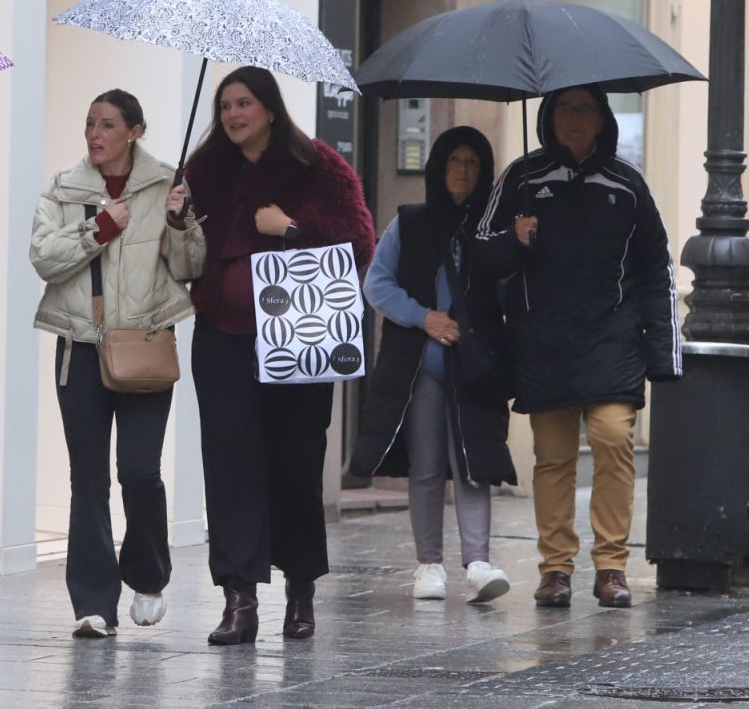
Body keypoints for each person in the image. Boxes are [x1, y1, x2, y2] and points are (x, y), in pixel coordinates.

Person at [183, 66, 376, 646]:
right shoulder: (203, 171)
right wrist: (175, 219)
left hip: (297, 342)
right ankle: (239, 598)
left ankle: (300, 591)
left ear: (269, 108)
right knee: (230, 467)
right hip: (222, 337)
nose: (233, 116)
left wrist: (290, 228)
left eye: (243, 104)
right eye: (224, 107)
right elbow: (184, 257)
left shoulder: (317, 164)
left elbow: (359, 242)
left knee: (294, 466)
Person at [473, 85, 680, 610]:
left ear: (602, 118)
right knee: (554, 457)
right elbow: (480, 253)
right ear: (549, 116)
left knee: (613, 439)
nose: (574, 118)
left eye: (584, 108)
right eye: (564, 108)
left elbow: (657, 269)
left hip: (611, 337)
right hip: (542, 341)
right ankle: (555, 569)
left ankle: (611, 566)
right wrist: (512, 239)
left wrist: (664, 352)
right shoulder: (521, 178)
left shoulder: (627, 185)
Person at [29, 90, 205, 640]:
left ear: (135, 130)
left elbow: (191, 264)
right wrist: (99, 227)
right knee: (88, 479)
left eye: (107, 124)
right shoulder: (65, 187)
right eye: (89, 123)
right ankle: (93, 603)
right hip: (79, 347)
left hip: (144, 345)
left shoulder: (167, 183)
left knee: (138, 470)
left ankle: (149, 576)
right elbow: (44, 259)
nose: (94, 134)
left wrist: (179, 223)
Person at [351, 126, 516, 605]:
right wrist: (424, 318)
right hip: (420, 368)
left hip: (476, 368)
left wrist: (518, 247)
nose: (462, 171)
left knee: (474, 462)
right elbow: (377, 285)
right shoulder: (409, 223)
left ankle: (479, 562)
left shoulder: (493, 231)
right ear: (437, 168)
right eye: (453, 161)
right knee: (425, 465)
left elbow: (510, 293)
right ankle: (428, 565)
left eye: (473, 162)